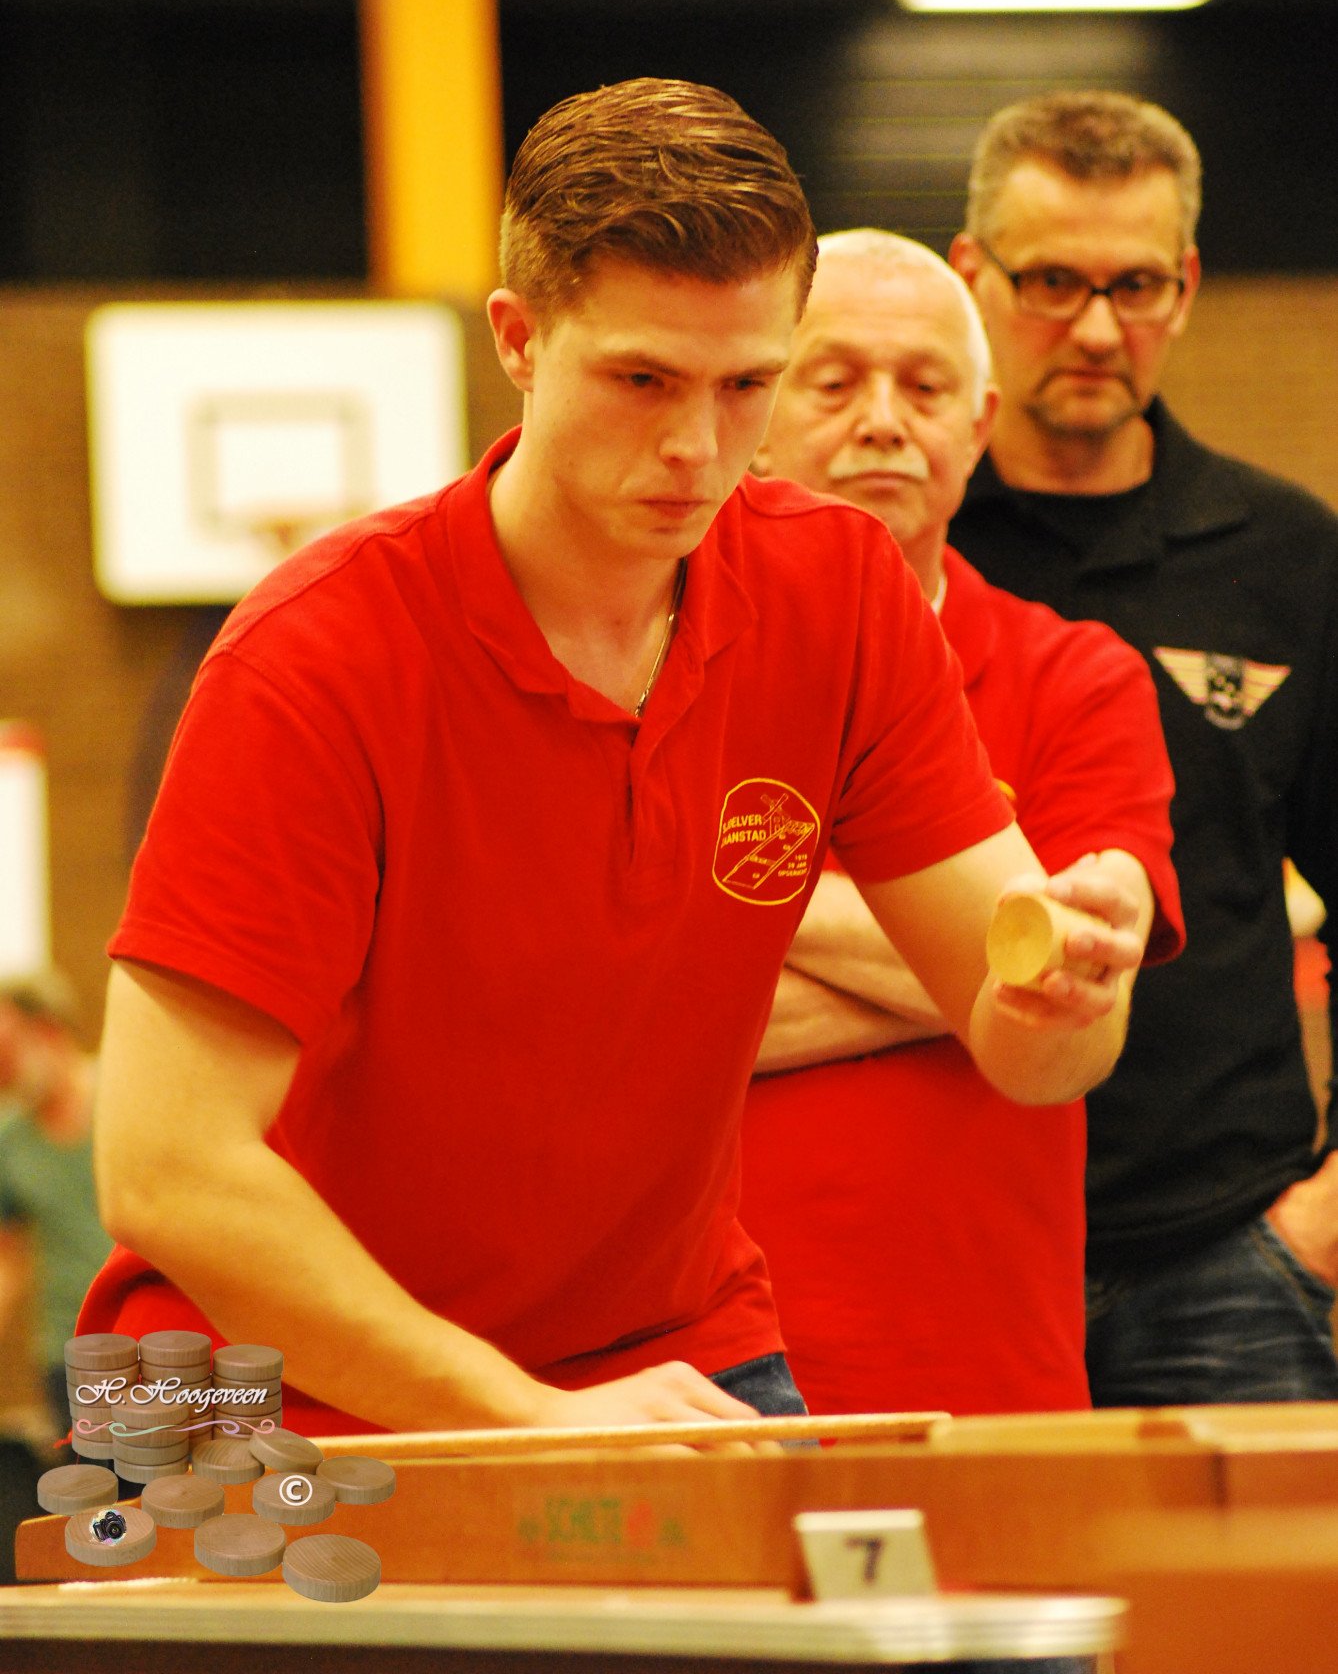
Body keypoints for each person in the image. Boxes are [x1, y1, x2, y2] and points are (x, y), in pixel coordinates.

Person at [80, 79, 1145, 1437]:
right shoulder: (314, 656)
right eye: (642, 380)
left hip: (665, 1347)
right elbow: (164, 1171)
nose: (696, 447)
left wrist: (1067, 991)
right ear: (519, 339)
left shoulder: (836, 593)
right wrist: (524, 1415)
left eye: (747, 386)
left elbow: (1035, 1051)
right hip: (253, 1378)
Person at [741, 231, 1182, 1415]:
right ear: (752, 406)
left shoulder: (1078, 677)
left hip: (982, 1369)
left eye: (926, 387)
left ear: (980, 424)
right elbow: (592, 1016)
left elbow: (1074, 1005)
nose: (884, 421)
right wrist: (972, 957)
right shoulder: (641, 666)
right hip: (685, 1379)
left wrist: (716, 911)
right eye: (834, 381)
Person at [948, 90, 1338, 1405]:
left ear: (1185, 286)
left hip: (1228, 1258)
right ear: (973, 275)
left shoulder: (1288, 557)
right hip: (947, 1248)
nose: (1097, 328)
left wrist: (1319, 1225)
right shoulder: (897, 555)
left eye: (1135, 285)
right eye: (1052, 282)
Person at [0, 975, 111, 1443]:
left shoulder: (127, 1100)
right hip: (66, 1356)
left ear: (48, 1030)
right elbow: (8, 1259)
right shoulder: (10, 1141)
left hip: (151, 1345)